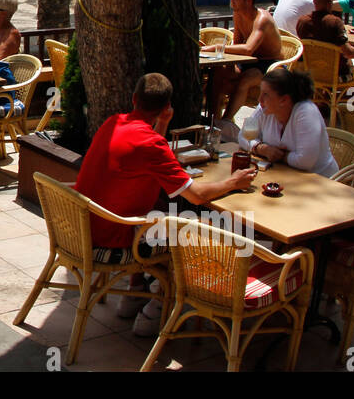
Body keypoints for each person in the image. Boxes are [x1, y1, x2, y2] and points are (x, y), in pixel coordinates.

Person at [73, 73, 256, 336]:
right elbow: (196, 196)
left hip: (86, 225)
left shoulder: (114, 122)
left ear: (134, 99)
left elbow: (149, 156)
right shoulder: (152, 144)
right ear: (167, 106)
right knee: (190, 227)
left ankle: (134, 295)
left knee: (161, 215)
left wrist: (161, 123)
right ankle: (155, 309)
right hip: (114, 236)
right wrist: (233, 182)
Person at [202, 0, 283, 122]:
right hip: (249, 61)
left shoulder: (262, 19)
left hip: (270, 65)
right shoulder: (238, 14)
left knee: (246, 79)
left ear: (248, 1)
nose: (231, 0)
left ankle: (224, 123)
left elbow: (248, 49)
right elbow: (238, 43)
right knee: (219, 73)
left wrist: (215, 47)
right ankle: (213, 120)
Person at [238, 68, 339, 178]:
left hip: (321, 180)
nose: (259, 99)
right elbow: (243, 135)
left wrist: (281, 156)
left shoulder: (306, 112)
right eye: (260, 92)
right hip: (287, 176)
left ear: (284, 100)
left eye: (266, 94)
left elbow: (305, 161)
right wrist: (261, 148)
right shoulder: (264, 108)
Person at [296, 0, 354, 79]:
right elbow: (347, 51)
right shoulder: (335, 22)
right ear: (331, 2)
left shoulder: (302, 21)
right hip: (335, 76)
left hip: (312, 73)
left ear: (314, 2)